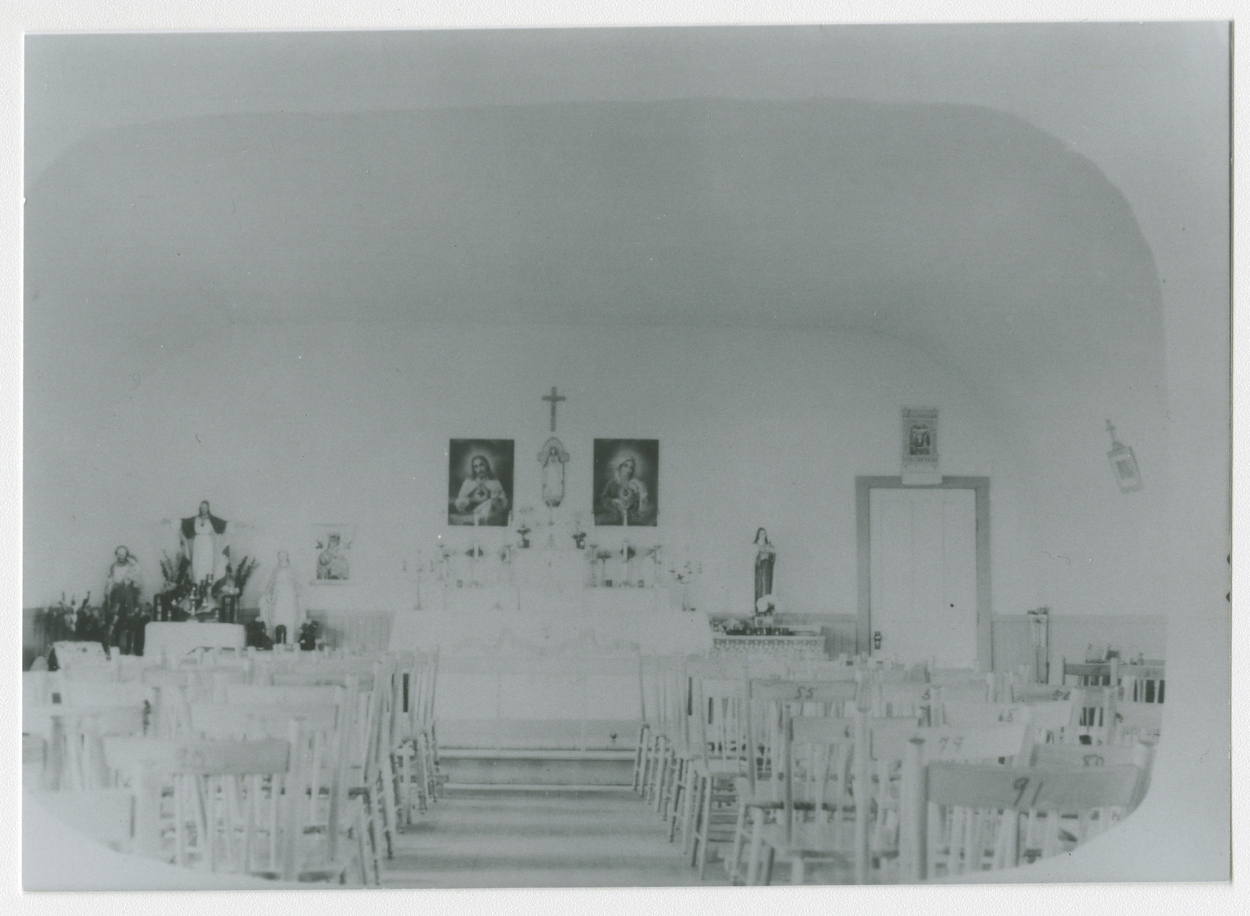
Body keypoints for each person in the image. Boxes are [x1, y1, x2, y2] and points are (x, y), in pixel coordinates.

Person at [181, 500, 228, 586]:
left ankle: (206, 587)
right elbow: (182, 522)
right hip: (197, 542)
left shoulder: (213, 520)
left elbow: (225, 524)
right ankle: (196, 585)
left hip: (207, 543)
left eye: (205, 508)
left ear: (209, 508)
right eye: (202, 507)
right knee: (196, 564)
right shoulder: (195, 519)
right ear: (199, 508)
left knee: (206, 563)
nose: (204, 509)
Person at [260, 550, 303, 642]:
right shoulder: (276, 569)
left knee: (289, 615)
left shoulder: (291, 569)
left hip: (289, 594)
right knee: (278, 615)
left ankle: (290, 640)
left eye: (284, 555)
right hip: (278, 594)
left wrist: (298, 592)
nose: (282, 557)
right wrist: (268, 593)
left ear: (287, 556)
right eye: (280, 555)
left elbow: (296, 582)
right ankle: (278, 640)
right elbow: (271, 583)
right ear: (278, 557)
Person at [455, 455, 509, 524]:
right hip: (472, 516)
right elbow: (460, 503)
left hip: (490, 517)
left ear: (486, 466)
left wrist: (495, 500)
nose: (479, 469)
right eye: (476, 467)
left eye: (481, 465)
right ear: (474, 469)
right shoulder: (468, 483)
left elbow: (503, 506)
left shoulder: (495, 483)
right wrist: (465, 502)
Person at [598, 456, 651, 525]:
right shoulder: (612, 483)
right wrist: (614, 501)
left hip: (631, 520)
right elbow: (603, 499)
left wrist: (631, 504)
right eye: (625, 466)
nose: (628, 470)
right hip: (615, 520)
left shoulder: (637, 484)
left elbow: (640, 506)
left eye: (631, 468)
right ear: (620, 467)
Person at [753, 528, 777, 609]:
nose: (763, 535)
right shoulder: (756, 545)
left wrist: (770, 554)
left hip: (767, 570)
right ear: (758, 535)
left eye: (764, 534)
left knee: (767, 589)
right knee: (759, 589)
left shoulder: (769, 546)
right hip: (759, 570)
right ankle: (759, 608)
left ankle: (767, 608)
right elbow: (755, 557)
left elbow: (773, 556)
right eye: (761, 533)